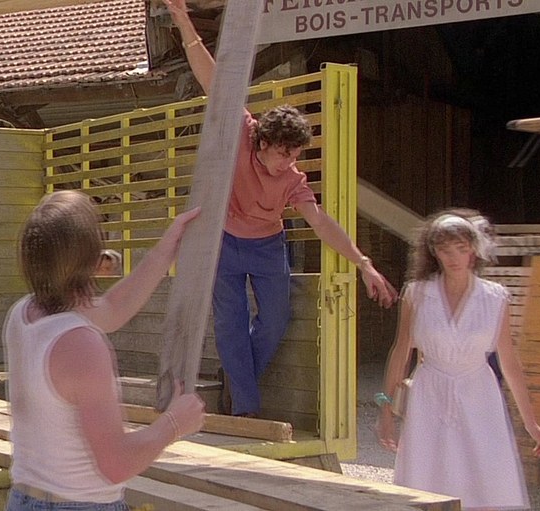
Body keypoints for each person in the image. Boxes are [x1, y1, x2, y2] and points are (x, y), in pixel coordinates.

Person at [162, 0, 398, 418]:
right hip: (225, 240)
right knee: (230, 324)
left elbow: (320, 222)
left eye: (296, 155)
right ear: (264, 142)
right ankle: (246, 411)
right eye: (285, 153)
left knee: (275, 320)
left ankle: (238, 381)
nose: (290, 162)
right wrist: (182, 19)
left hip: (268, 246)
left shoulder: (293, 179)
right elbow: (212, 78)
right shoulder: (243, 129)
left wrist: (364, 263)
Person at [4, 191, 206, 511]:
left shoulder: (24, 314)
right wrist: (175, 423)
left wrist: (166, 250)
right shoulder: (81, 345)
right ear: (92, 261)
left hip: (23, 499)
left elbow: (112, 307)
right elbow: (116, 464)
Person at [376, 209, 540, 510]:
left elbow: (509, 363)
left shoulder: (495, 298)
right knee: (426, 479)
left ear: (473, 249)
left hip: (479, 397)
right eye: (445, 250)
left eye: (461, 248)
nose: (454, 257)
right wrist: (386, 410)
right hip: (429, 396)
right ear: (434, 252)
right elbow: (400, 351)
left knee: (484, 480)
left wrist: (531, 423)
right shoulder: (417, 294)